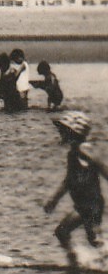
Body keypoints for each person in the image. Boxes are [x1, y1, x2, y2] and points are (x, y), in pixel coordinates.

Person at [43, 111, 106, 265]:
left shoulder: (84, 149)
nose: (60, 133)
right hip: (83, 204)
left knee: (87, 237)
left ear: (74, 132)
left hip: (91, 204)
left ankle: (80, 261)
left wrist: (54, 199)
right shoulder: (73, 153)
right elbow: (69, 181)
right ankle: (79, 261)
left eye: (63, 130)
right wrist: (54, 199)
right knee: (86, 237)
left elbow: (102, 166)